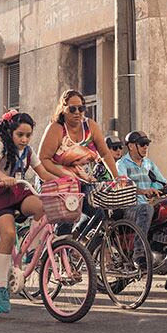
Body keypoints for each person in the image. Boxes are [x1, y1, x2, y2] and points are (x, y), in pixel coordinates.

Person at [0, 110, 55, 313]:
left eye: (28, 135)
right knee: (9, 234)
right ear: (10, 132)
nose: (24, 139)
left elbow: (43, 172)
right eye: (20, 134)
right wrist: (4, 177)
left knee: (42, 206)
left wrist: (62, 181)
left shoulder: (28, 151)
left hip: (18, 192)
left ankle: (30, 251)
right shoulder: (1, 145)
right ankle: (1, 286)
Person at [117, 130, 167, 292]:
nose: (146, 147)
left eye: (147, 144)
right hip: (129, 208)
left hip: (147, 210)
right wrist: (143, 191)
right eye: (142, 144)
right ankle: (139, 254)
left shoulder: (148, 164)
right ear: (131, 146)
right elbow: (123, 185)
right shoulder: (122, 164)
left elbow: (161, 181)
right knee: (146, 208)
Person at [38, 89, 120, 234]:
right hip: (56, 180)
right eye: (72, 109)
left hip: (81, 180)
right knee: (67, 218)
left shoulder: (90, 126)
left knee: (99, 215)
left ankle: (77, 241)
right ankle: (61, 245)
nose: (77, 112)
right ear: (63, 109)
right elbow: (43, 159)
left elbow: (105, 154)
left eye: (81, 108)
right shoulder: (56, 128)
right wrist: (66, 177)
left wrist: (117, 178)